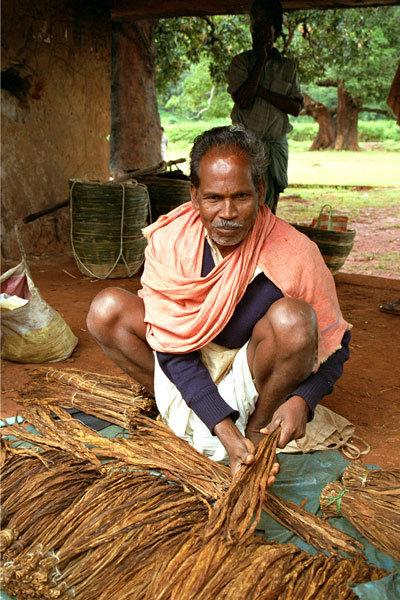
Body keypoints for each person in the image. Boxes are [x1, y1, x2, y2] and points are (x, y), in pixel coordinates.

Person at [87, 125, 351, 482]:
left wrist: (304, 398)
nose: (227, 213)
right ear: (194, 195)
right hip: (180, 366)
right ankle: (185, 411)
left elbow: (336, 344)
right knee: (107, 310)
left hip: (252, 371)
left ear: (260, 191)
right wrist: (225, 432)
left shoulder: (294, 252)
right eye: (213, 198)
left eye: (241, 197)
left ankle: (256, 432)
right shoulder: (172, 242)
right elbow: (170, 346)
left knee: (295, 319)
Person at [227, 0, 303, 214]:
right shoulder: (241, 63)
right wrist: (260, 60)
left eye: (265, 24)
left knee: (271, 204)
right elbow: (243, 99)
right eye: (255, 24)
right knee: (244, 197)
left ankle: (265, 242)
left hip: (275, 143)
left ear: (276, 30)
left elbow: (296, 108)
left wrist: (261, 91)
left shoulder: (288, 67)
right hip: (247, 144)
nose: (259, 30)